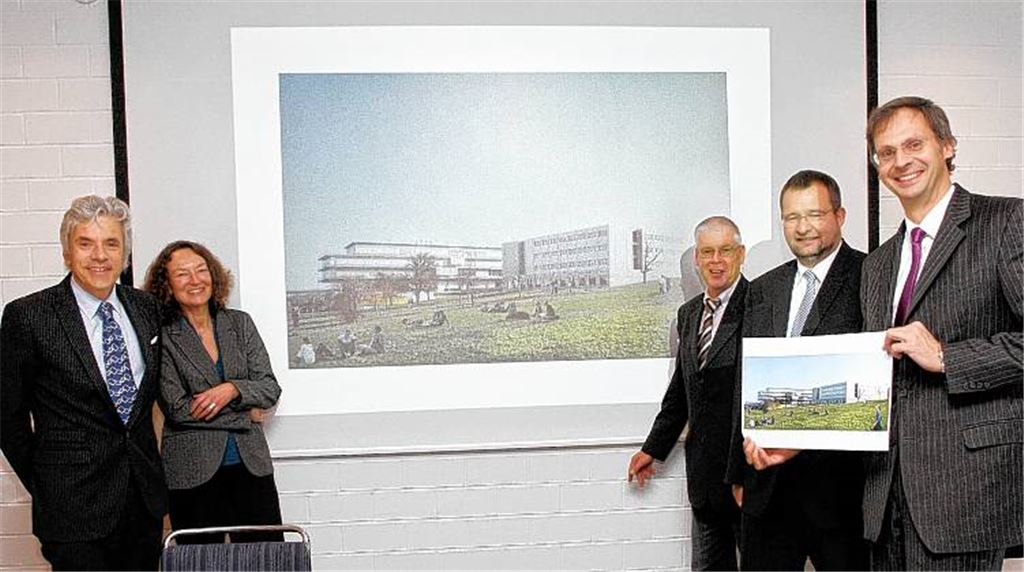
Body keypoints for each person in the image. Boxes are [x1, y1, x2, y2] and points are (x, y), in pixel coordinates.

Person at [861, 96, 1022, 570]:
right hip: (884, 497)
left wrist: (947, 357)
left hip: (965, 493)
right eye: (886, 152)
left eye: (914, 145)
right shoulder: (877, 265)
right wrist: (796, 434)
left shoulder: (1006, 222)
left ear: (948, 146)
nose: (900, 161)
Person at [0, 195, 167, 570]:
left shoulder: (147, 309)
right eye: (86, 243)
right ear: (66, 251)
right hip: (72, 510)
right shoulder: (29, 316)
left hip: (142, 506)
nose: (100, 256)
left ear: (124, 254)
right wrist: (48, 485)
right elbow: (7, 419)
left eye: (111, 243)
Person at [726, 170, 869, 570]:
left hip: (842, 493)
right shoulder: (763, 288)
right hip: (766, 491)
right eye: (792, 217)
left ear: (840, 216)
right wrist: (738, 472)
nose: (802, 228)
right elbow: (744, 380)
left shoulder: (871, 275)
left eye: (814, 214)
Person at [628, 216, 748, 571]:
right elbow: (681, 391)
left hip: (748, 481)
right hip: (705, 482)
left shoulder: (760, 306)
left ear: (741, 254)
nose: (716, 261)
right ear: (697, 258)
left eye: (725, 250)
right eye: (707, 252)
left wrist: (746, 473)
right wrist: (653, 449)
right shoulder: (688, 314)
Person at [143, 240, 284, 544]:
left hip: (251, 467)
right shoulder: (161, 336)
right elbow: (178, 409)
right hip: (192, 473)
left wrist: (231, 389)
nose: (195, 280)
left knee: (267, 560)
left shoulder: (240, 323)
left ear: (213, 275)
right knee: (202, 562)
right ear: (167, 285)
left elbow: (269, 388)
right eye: (182, 274)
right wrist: (245, 415)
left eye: (201, 270)